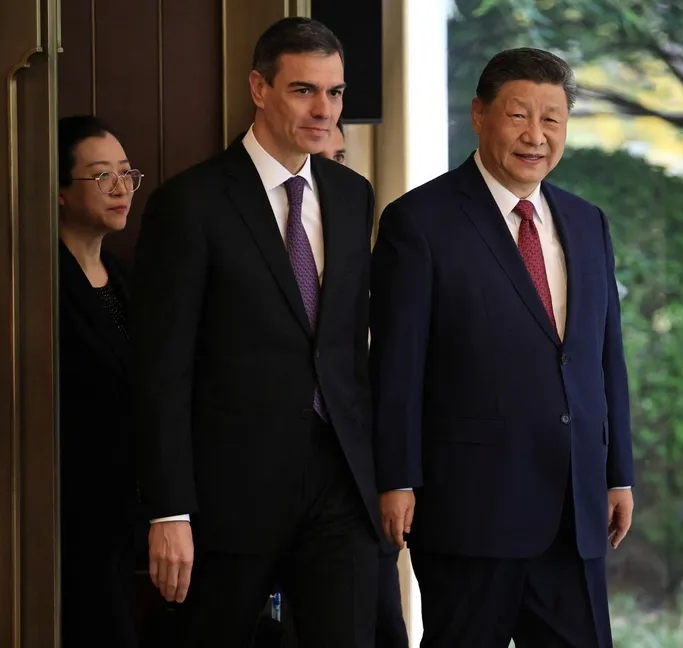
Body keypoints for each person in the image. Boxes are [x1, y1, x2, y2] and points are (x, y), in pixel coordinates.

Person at [370, 47, 636, 647]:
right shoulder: (420, 220)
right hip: (470, 512)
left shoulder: (587, 222)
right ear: (479, 115)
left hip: (573, 512)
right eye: (518, 115)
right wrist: (397, 478)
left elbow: (605, 359)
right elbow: (396, 365)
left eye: (552, 119)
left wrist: (618, 472)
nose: (535, 135)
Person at [131, 17, 380, 647]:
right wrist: (169, 509)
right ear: (259, 88)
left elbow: (349, 348)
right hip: (227, 496)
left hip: (340, 485)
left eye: (335, 92)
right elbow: (161, 371)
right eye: (303, 90)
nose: (324, 110)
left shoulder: (353, 195)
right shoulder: (190, 204)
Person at [313, 120, 410, 648]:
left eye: (340, 156)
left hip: (357, 464)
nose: (331, 168)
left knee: (379, 622)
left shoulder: (355, 207)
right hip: (264, 474)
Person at [57, 115, 145, 647]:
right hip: (71, 513)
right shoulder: (37, 282)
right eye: (101, 175)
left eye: (126, 172)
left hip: (131, 511)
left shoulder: (130, 279)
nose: (120, 188)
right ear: (61, 192)